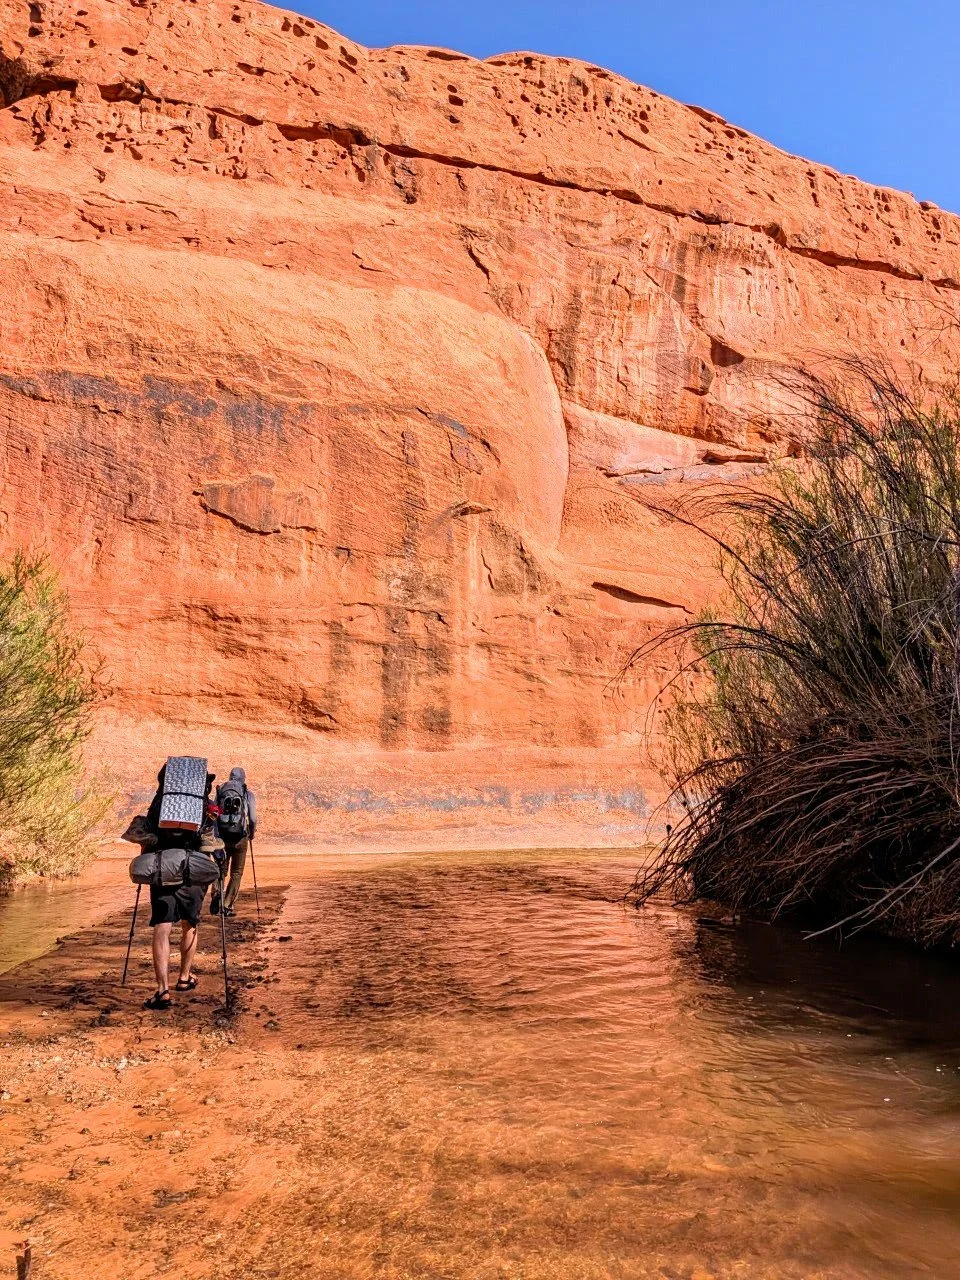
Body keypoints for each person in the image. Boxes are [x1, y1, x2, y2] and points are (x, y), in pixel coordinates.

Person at [138, 767, 224, 1010]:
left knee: (162, 926)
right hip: (194, 869)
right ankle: (184, 978)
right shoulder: (203, 804)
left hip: (163, 868)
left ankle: (162, 990)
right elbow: (211, 839)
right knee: (190, 923)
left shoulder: (160, 801)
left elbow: (148, 836)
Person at [211, 767, 257, 917]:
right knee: (236, 873)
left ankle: (217, 893)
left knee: (221, 869)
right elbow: (253, 818)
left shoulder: (221, 791)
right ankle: (227, 905)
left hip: (222, 837)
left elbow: (214, 813)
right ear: (243, 778)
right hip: (240, 838)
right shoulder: (247, 793)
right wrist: (252, 832)